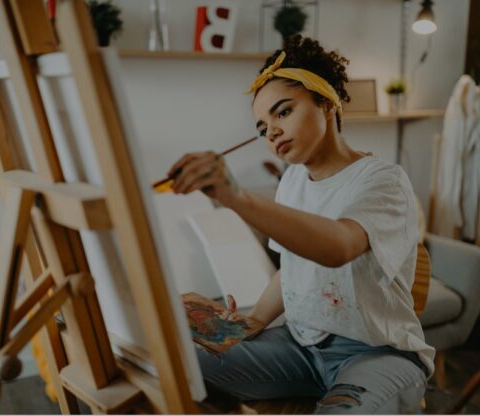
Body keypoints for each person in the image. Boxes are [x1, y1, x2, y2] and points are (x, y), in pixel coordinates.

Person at [167, 34, 435, 414]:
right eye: (262, 127)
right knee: (175, 366)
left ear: (326, 102)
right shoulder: (292, 180)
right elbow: (292, 266)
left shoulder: (383, 180)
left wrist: (236, 197)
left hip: (377, 354)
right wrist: (255, 318)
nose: (271, 131)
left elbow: (337, 247)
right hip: (299, 346)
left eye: (283, 112)